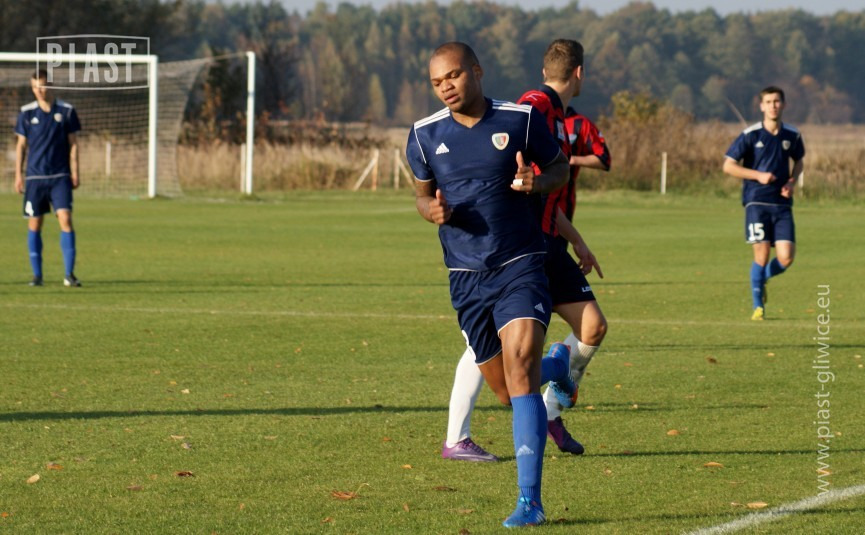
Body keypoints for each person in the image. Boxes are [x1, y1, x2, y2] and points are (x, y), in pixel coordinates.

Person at [406, 41, 572, 528]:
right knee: (505, 391)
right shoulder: (423, 135)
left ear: (476, 71)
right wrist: (430, 211)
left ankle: (529, 502)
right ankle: (557, 363)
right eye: (437, 82)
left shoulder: (520, 120)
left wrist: (537, 183)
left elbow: (559, 168)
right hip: (465, 278)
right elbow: (421, 195)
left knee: (520, 373)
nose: (446, 87)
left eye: (454, 76)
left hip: (519, 264)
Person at [442, 39, 610, 461]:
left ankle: (551, 409)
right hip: (519, 246)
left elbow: (541, 188)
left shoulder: (562, 116)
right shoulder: (534, 106)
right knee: (489, 350)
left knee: (592, 327)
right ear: (579, 73)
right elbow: (511, 164)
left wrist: (576, 239)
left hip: (550, 239)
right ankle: (457, 437)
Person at [722, 86, 804, 320]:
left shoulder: (792, 135)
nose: (773, 106)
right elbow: (728, 165)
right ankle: (758, 307)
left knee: (786, 258)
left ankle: (762, 278)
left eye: (777, 101)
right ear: (761, 106)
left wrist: (792, 181)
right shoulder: (751, 134)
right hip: (756, 202)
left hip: (782, 203)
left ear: (783, 104)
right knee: (761, 255)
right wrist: (757, 175)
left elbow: (799, 161)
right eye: (768, 102)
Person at [14, 69, 82, 287]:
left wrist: (75, 171)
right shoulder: (26, 113)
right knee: (35, 223)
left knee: (65, 219)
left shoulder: (66, 111)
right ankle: (37, 276)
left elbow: (73, 144)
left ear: (50, 85)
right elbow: (21, 146)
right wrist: (18, 175)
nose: (39, 91)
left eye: (42, 86)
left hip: (60, 176)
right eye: (35, 87)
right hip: (35, 178)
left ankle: (69, 274)